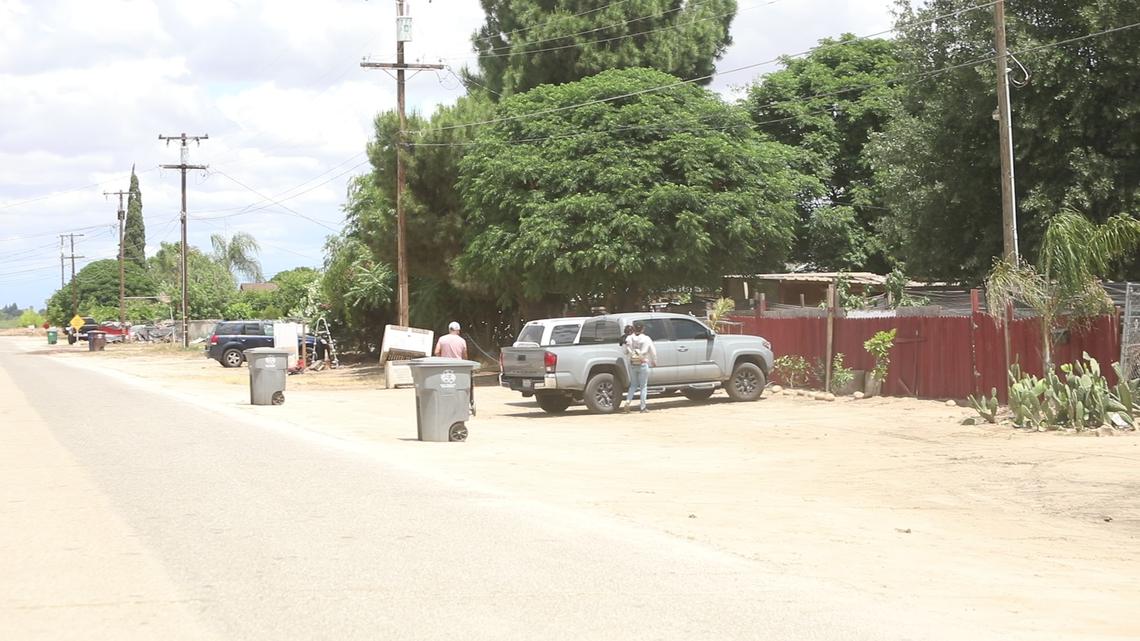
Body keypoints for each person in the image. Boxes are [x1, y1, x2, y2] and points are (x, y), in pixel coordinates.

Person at [623, 321, 657, 413]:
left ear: (633, 328)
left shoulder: (629, 338)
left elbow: (625, 351)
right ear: (643, 329)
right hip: (643, 363)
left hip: (632, 363)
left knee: (633, 385)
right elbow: (653, 351)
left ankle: (627, 401)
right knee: (643, 386)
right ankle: (643, 407)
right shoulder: (646, 338)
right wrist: (654, 361)